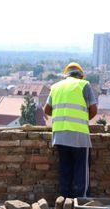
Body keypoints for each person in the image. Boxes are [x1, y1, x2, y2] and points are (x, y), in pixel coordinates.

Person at [43, 62, 98, 198]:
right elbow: (94, 110)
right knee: (81, 170)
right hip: (79, 135)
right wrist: (82, 119)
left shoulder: (55, 87)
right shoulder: (84, 85)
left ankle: (64, 202)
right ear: (80, 76)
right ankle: (81, 202)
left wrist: (62, 116)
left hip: (60, 135)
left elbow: (47, 110)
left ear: (66, 75)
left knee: (65, 169)